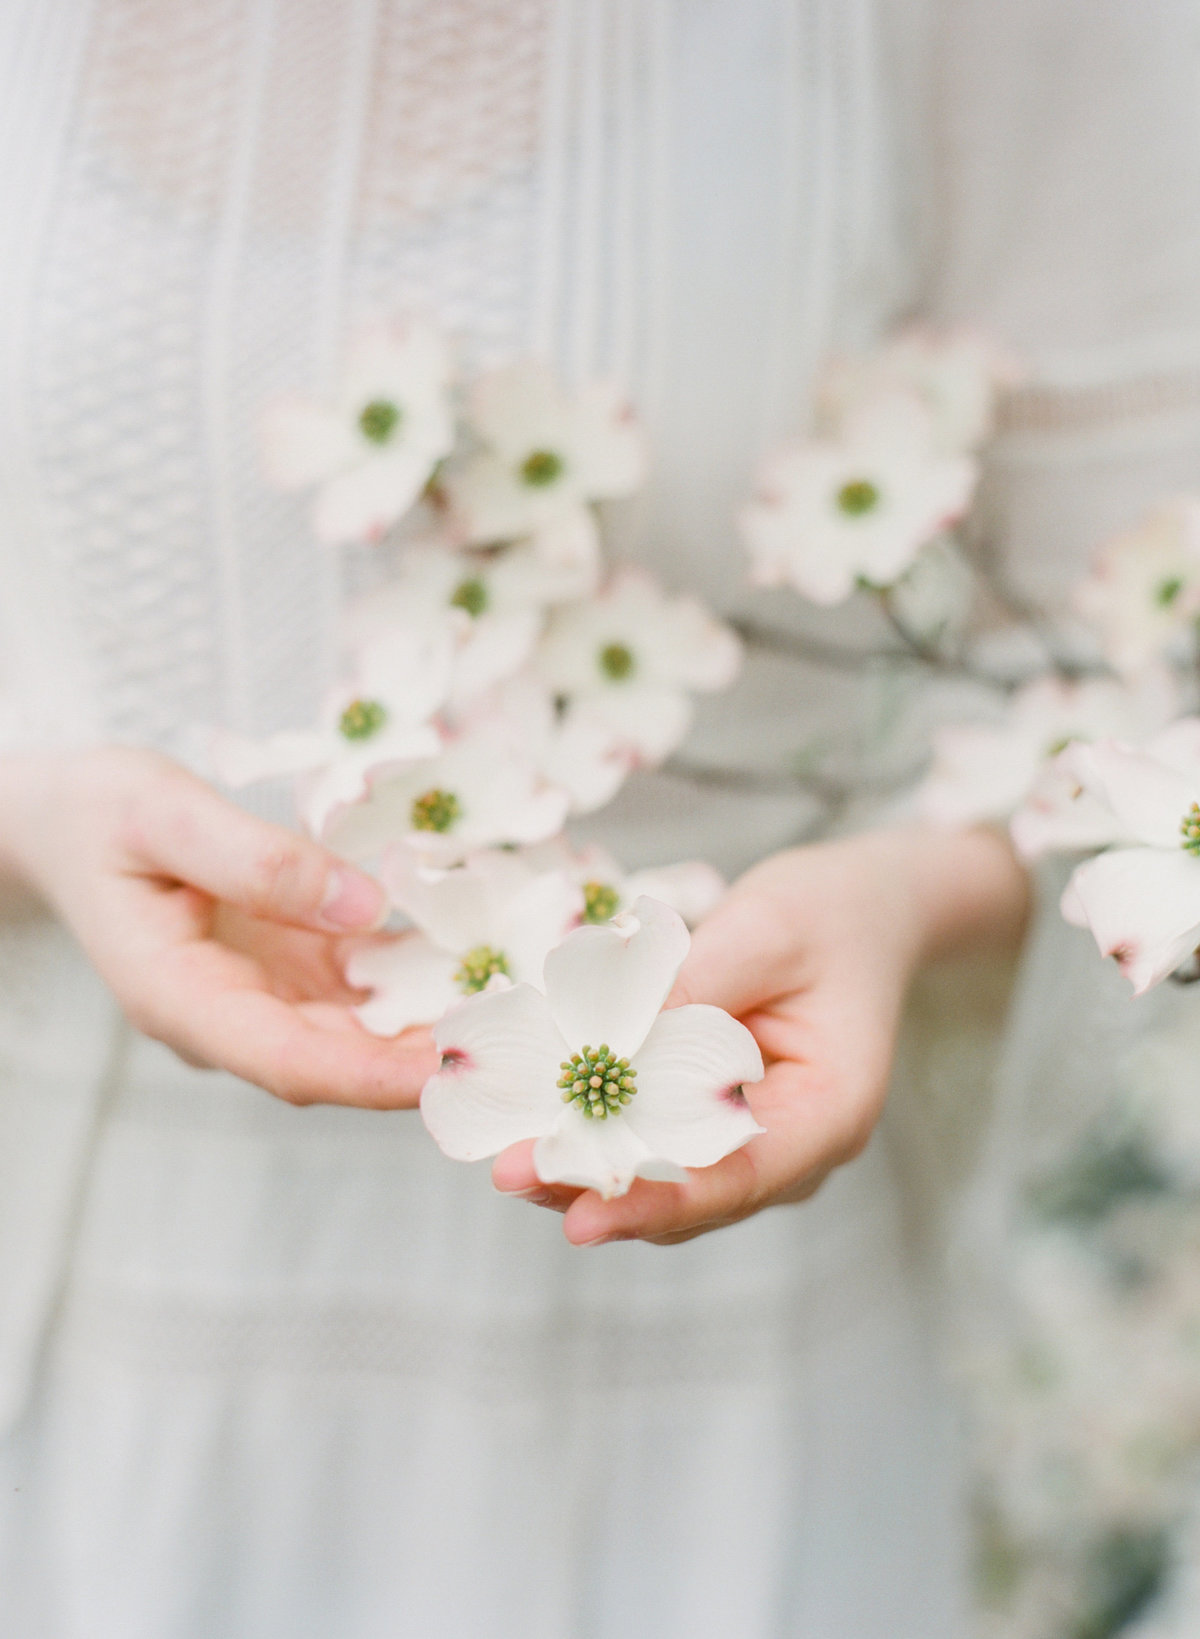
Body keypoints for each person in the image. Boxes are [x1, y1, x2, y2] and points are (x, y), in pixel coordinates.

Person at [0, 2, 1196, 1634]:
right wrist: (32, 820)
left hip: (701, 1334)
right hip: (84, 1341)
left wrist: (904, 895)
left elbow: (1152, 666)